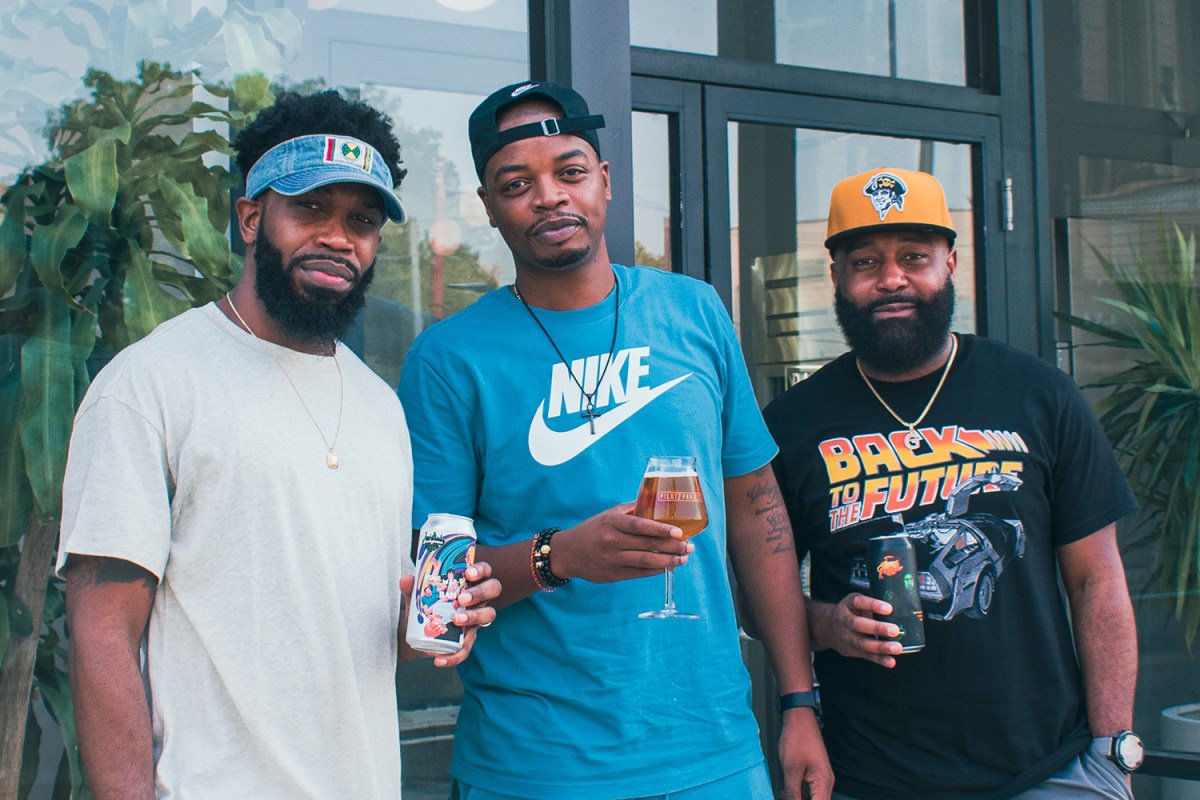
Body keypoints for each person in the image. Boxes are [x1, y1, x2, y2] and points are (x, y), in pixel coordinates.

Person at [57, 90, 500, 800]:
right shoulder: (151, 383)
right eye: (310, 207)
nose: (338, 237)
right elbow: (102, 635)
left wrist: (434, 621)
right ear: (251, 217)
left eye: (361, 220)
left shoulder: (380, 407)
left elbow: (352, 632)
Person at [396, 80, 832, 800]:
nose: (549, 197)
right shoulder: (449, 359)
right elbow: (436, 587)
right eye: (516, 184)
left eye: (569, 171)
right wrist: (560, 556)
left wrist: (798, 701)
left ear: (603, 179)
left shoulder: (694, 311)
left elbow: (758, 510)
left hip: (715, 751)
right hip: (536, 767)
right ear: (488, 207)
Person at [763, 167, 1141, 799]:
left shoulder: (1038, 394)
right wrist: (827, 625)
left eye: (914, 256)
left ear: (951, 264)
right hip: (869, 775)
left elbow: (1096, 579)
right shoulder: (792, 424)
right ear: (836, 277)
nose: (891, 278)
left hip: (1049, 768)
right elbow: (758, 601)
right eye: (865, 262)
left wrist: (1111, 749)